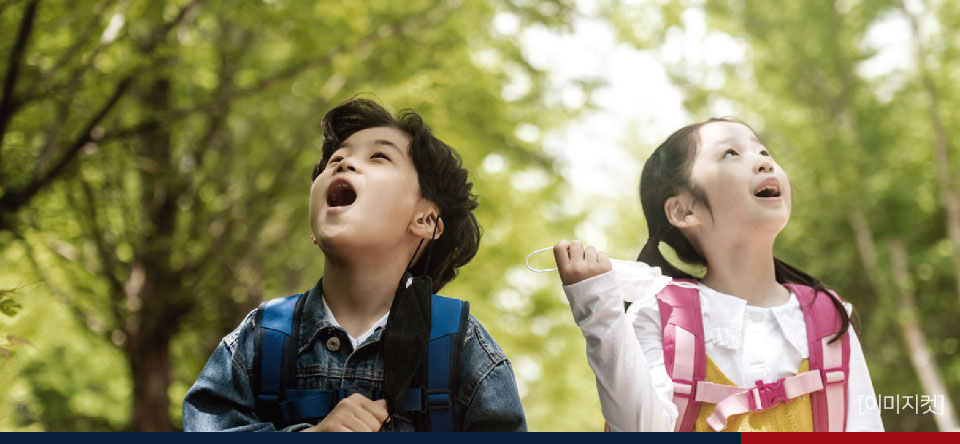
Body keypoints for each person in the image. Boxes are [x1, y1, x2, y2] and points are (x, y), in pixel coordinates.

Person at [182, 98, 527, 432]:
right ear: (315, 231)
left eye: (379, 157)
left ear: (425, 219)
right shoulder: (261, 336)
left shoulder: (460, 346)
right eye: (335, 159)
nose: (342, 164)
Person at [553, 118, 884, 431]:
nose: (764, 162)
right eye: (731, 153)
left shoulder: (828, 316)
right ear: (684, 211)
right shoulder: (662, 317)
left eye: (764, 151)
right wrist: (598, 311)